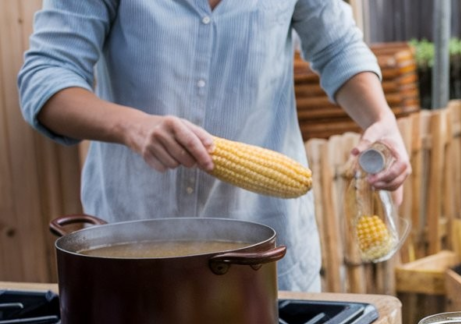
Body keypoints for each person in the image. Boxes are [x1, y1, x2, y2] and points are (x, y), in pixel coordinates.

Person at [18, 0, 410, 292]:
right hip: (136, 252)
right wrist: (132, 127)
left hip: (265, 251)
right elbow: (46, 75)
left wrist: (381, 119)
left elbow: (338, 48)